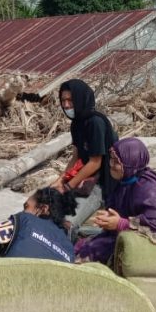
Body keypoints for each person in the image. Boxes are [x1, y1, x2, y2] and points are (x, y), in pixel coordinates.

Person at [75, 138, 156, 265]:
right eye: (112, 160)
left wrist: (121, 223)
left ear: (130, 163)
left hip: (151, 245)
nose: (111, 165)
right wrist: (110, 218)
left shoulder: (148, 189)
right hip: (126, 235)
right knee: (80, 246)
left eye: (116, 162)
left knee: (88, 256)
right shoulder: (127, 181)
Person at [50, 79, 119, 238]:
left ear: (80, 99)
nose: (66, 105)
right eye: (63, 100)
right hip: (85, 178)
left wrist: (68, 187)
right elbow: (77, 156)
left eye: (70, 100)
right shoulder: (76, 124)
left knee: (67, 224)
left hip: (101, 183)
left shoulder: (95, 123)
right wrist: (61, 180)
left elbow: (95, 163)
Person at [0, 187, 77, 262]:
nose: (22, 212)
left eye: (26, 207)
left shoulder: (22, 222)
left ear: (43, 209)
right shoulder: (69, 250)